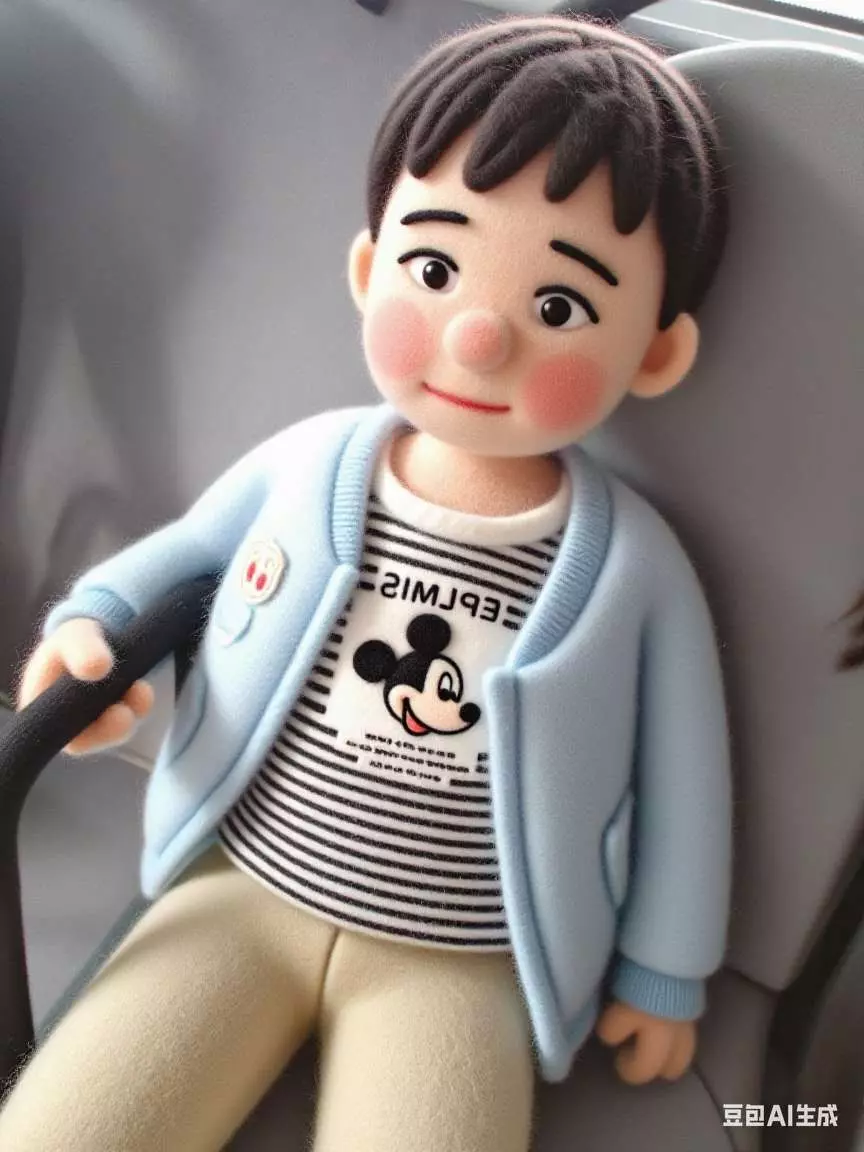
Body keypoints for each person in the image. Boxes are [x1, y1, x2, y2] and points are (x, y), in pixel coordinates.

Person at [0, 14, 732, 1152]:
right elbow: (182, 554)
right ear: (367, 267)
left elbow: (688, 781)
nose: (479, 337)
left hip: (461, 958)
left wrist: (664, 971)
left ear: (654, 352)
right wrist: (92, 629)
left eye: (559, 307)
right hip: (241, 892)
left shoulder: (638, 570)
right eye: (434, 268)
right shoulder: (308, 465)